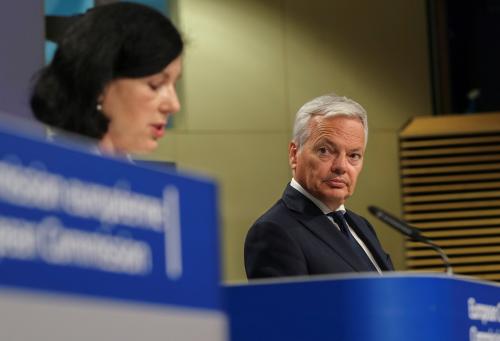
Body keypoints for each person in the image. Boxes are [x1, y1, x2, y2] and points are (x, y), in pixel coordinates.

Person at [245, 93, 394, 279]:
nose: (341, 166)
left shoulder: (362, 226)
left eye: (353, 155)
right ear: (294, 154)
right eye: (325, 151)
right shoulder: (273, 231)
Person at [30, 2, 183, 156]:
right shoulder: (39, 174)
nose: (174, 106)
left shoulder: (131, 175)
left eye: (174, 85)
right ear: (98, 84)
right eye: (155, 85)